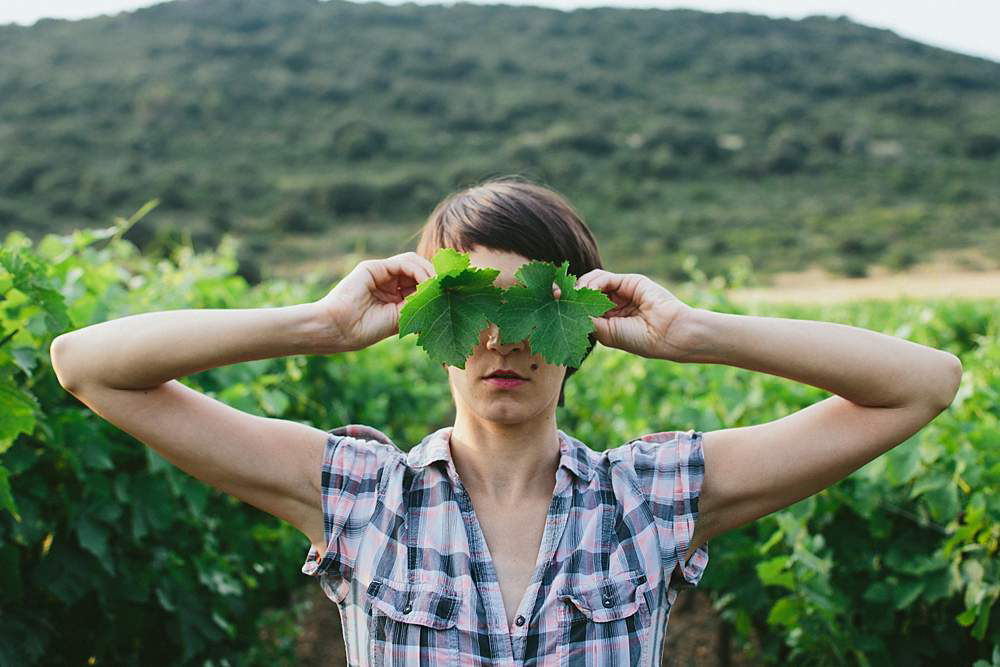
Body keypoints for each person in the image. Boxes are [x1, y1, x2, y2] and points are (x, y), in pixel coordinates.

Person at [50, 175, 963, 666]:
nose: (501, 337)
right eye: (468, 300)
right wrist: (318, 326)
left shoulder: (654, 495)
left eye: (534, 304)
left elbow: (923, 383)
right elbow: (87, 367)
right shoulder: (357, 492)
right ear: (425, 313)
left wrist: (695, 332)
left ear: (581, 324)